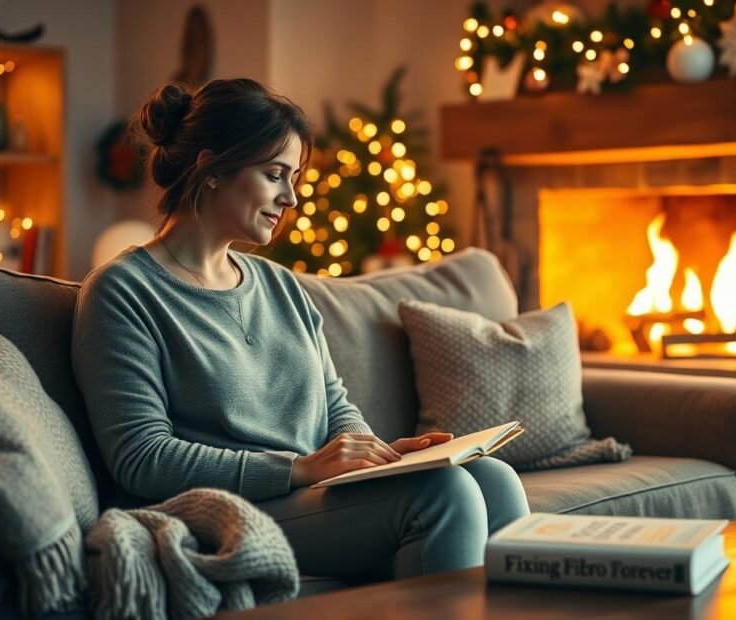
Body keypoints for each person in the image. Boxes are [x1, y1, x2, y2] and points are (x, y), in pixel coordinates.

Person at [71, 78, 530, 582]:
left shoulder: (280, 286)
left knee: (494, 479)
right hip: (220, 508)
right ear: (211, 168)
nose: (290, 198)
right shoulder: (123, 291)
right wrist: (296, 469)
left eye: (294, 178)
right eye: (274, 175)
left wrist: (378, 455)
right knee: (444, 495)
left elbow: (334, 406)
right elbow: (142, 458)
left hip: (305, 492)